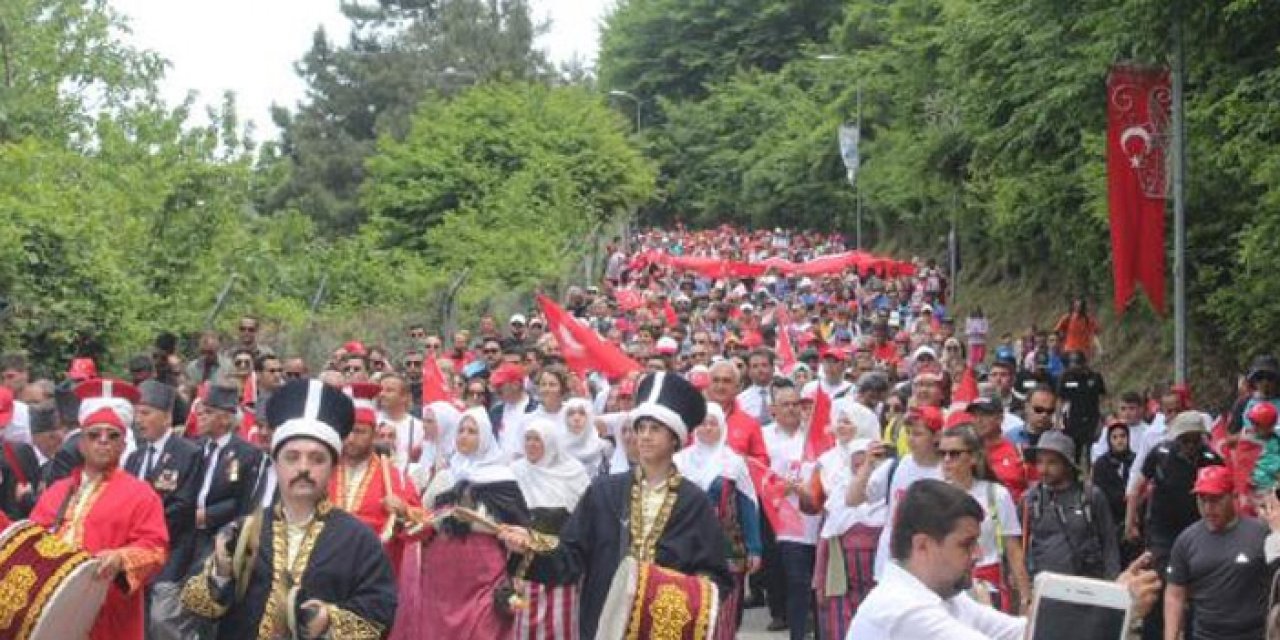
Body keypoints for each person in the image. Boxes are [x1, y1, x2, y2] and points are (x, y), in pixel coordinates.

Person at [498, 372, 734, 638]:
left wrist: (676, 598)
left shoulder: (694, 502)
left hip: (663, 629)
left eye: (655, 429)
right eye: (641, 428)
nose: (644, 436)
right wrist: (530, 546)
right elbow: (571, 554)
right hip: (605, 621)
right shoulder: (604, 491)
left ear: (674, 439)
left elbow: (715, 574)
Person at [181, 379, 398, 638]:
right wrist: (221, 572)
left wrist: (328, 620)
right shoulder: (242, 531)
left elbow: (380, 615)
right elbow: (196, 606)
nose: (303, 468)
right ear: (276, 463)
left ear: (333, 467)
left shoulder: (360, 540)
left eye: (317, 458)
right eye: (292, 457)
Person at [846, 479, 1161, 639]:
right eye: (966, 544)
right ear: (923, 546)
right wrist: (1117, 607)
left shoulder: (943, 596)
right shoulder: (905, 610)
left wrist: (1113, 601)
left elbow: (1026, 632)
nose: (978, 554)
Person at [30, 378, 169, 640]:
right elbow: (31, 543)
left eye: (112, 435)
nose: (103, 441)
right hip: (52, 617)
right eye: (94, 435)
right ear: (80, 444)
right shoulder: (56, 492)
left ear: (124, 445)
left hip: (111, 614)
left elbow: (156, 548)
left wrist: (121, 559)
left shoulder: (141, 494)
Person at [416, 407, 531, 639]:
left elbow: (521, 530)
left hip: (485, 573)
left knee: (483, 627)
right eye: (461, 430)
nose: (464, 436)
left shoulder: (503, 480)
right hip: (442, 574)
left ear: (486, 437)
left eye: (472, 431)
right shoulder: (445, 477)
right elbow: (421, 517)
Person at [1125, 411, 1225, 640]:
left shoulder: (1211, 460)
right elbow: (1137, 486)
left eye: (1195, 439)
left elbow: (1223, 495)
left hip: (1197, 529)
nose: (1190, 445)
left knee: (1197, 583)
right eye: (1185, 439)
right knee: (1160, 581)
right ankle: (1154, 633)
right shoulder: (1160, 454)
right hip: (1162, 530)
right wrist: (1131, 521)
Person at [124, 380, 205, 640]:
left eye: (146, 413)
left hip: (173, 549)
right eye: (137, 413)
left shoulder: (188, 453)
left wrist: (145, 527)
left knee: (163, 618)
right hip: (136, 550)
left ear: (167, 417)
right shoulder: (135, 458)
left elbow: (183, 505)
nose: (139, 420)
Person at [674, 404, 762, 640]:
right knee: (690, 607)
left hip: (727, 547)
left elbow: (747, 505)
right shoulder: (679, 461)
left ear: (722, 426)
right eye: (703, 423)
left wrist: (754, 548)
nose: (707, 428)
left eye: (713, 423)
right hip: (686, 545)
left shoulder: (732, 463)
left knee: (725, 611)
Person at [330, 383, 425, 576]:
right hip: (328, 568)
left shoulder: (394, 477)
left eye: (359, 431)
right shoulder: (323, 471)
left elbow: (425, 528)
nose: (350, 439)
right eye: (346, 432)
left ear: (374, 435)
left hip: (373, 573)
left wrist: (404, 511)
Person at [1165, 466, 1271, 640]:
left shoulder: (1260, 533)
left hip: (1253, 634)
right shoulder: (1186, 540)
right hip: (1205, 634)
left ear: (1232, 497)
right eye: (1202, 500)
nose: (1208, 507)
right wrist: (1170, 635)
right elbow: (1175, 593)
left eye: (1215, 500)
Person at [511, 418, 591, 640]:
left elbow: (584, 522)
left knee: (561, 629)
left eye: (538, 439)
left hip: (562, 569)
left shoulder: (573, 473)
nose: (531, 444)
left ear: (551, 442)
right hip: (523, 570)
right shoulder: (514, 472)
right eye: (528, 438)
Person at [938, 426, 1031, 613]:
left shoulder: (996, 494)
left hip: (990, 586)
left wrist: (1025, 598)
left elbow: (1013, 550)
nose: (946, 460)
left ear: (973, 458)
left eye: (954, 453)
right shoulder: (935, 496)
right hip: (948, 588)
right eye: (942, 453)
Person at [814, 407, 886, 640]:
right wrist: (820, 582)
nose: (860, 467)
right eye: (855, 462)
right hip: (842, 583)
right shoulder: (839, 497)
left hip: (879, 583)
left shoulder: (885, 497)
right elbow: (825, 542)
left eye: (865, 462)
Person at [849, 406, 945, 578]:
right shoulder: (894, 467)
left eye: (918, 434)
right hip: (890, 564)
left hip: (930, 566)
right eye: (908, 433)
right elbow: (852, 499)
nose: (910, 440)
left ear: (937, 436)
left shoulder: (947, 472)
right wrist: (867, 465)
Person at [1022, 430, 1120, 581]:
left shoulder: (1091, 497)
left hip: (1086, 585)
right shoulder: (1030, 499)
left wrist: (1112, 582)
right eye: (1040, 461)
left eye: (1052, 462)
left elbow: (1109, 543)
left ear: (1068, 465)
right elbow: (1017, 545)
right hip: (1043, 586)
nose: (1043, 469)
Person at [191, 385, 264, 569]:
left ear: (224, 419)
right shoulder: (194, 448)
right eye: (200, 412)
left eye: (208, 412)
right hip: (188, 532)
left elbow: (242, 500)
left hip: (220, 533)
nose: (201, 417)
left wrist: (206, 515)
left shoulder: (246, 453)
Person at [562, 397, 608, 477]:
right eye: (571, 414)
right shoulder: (558, 449)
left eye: (582, 413)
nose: (576, 418)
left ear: (589, 418)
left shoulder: (603, 448)